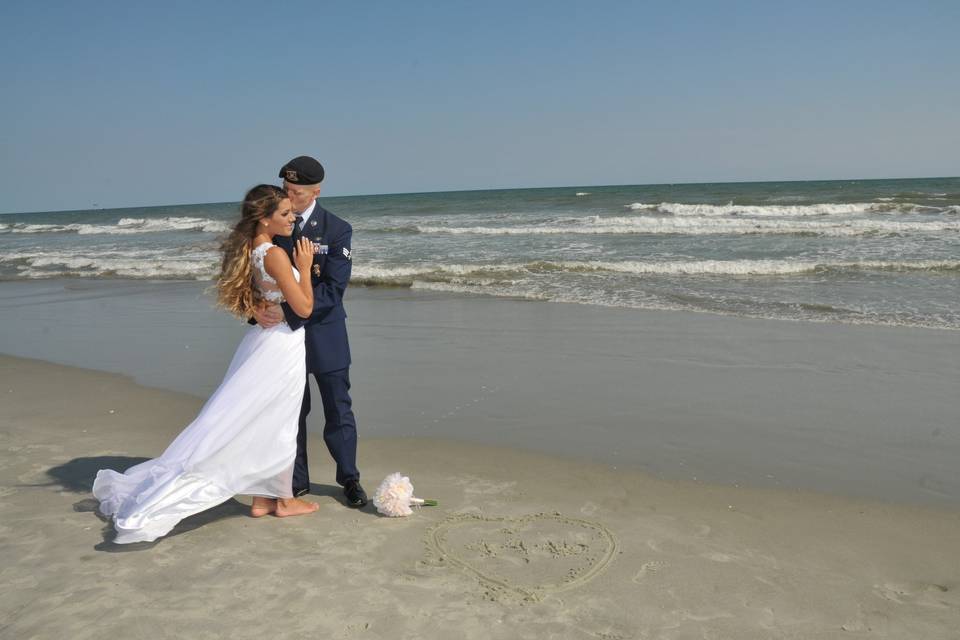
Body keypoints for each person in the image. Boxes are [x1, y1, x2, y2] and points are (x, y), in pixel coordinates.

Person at [93, 185, 319, 544]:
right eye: (286, 213)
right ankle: (283, 500)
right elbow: (305, 308)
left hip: (266, 344)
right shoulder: (275, 254)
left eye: (292, 212)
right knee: (277, 422)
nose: (293, 218)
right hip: (281, 348)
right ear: (264, 218)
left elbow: (258, 296)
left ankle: (266, 497)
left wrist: (260, 307)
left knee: (265, 420)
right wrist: (305, 269)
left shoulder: (254, 249)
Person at [252, 156, 368, 508]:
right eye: (286, 189)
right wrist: (254, 309)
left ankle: (349, 478)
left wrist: (289, 309)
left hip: (325, 334)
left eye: (296, 191)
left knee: (338, 410)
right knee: (292, 412)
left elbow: (334, 289)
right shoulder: (275, 226)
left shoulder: (336, 229)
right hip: (283, 340)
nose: (289, 196)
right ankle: (295, 482)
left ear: (315, 191)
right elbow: (255, 278)